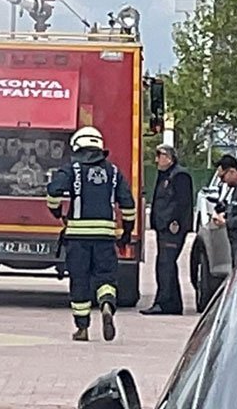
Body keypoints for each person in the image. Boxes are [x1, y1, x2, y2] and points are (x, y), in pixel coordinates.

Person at [46, 126, 136, 342]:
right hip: (105, 237)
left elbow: (53, 191)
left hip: (78, 238)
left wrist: (57, 211)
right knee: (106, 277)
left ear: (77, 147)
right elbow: (128, 204)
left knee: (80, 280)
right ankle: (106, 304)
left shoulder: (72, 169)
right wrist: (126, 232)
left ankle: (82, 328)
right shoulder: (114, 172)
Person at [142, 144, 193, 316]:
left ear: (170, 158)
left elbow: (183, 203)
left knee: (165, 264)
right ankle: (173, 302)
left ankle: (163, 302)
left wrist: (175, 222)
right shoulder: (164, 175)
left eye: (160, 155)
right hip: (163, 226)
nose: (157, 160)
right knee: (166, 264)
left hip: (173, 228)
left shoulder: (179, 175)